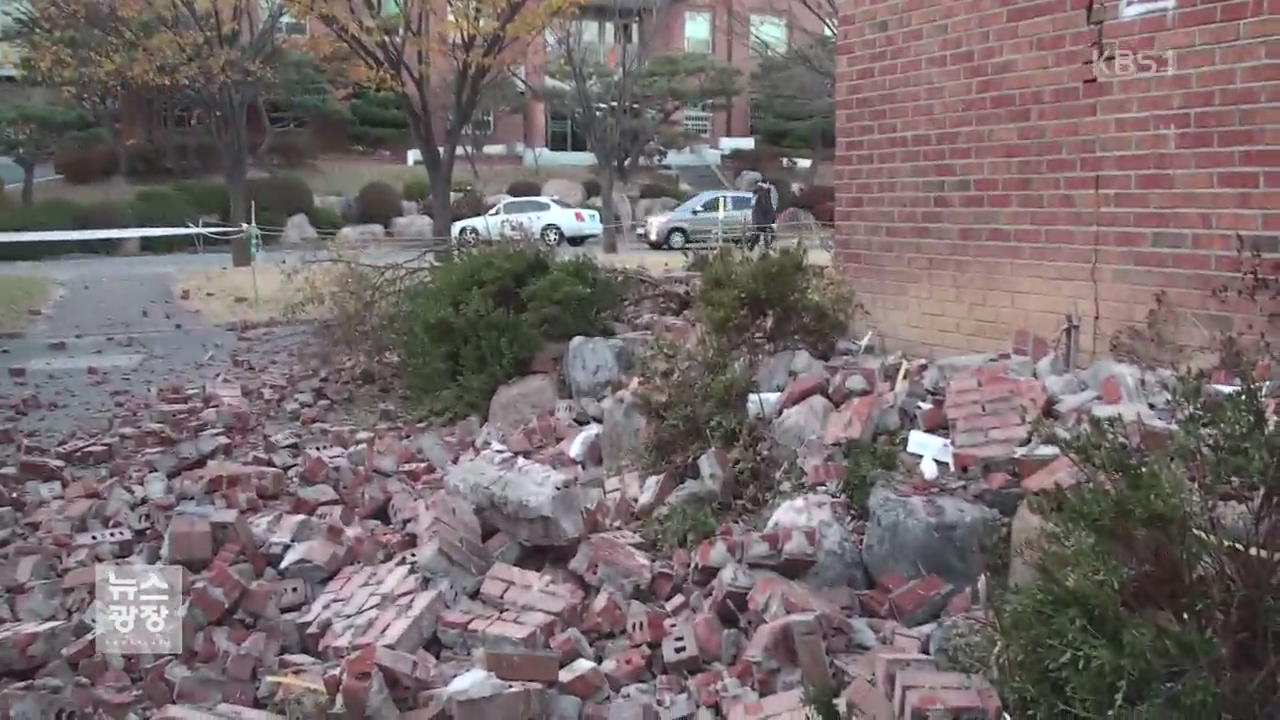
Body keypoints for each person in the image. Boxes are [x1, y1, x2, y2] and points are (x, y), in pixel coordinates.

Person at [750, 181, 777, 250]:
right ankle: (765, 248)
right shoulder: (763, 195)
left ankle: (753, 248)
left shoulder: (757, 195)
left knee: (758, 235)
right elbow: (767, 208)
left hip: (759, 221)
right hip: (762, 221)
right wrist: (771, 219)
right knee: (767, 234)